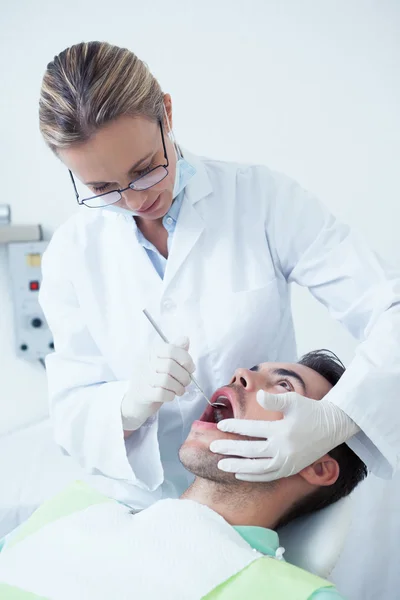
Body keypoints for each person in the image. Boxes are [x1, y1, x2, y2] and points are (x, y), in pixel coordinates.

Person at [38, 40, 399, 508]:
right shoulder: (72, 253)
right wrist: (125, 407)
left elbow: (389, 308)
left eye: (146, 170)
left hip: (257, 495)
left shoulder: (261, 200)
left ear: (166, 113)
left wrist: (340, 416)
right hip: (134, 505)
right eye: (102, 188)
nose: (134, 201)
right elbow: (70, 410)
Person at [0, 351, 367, 599]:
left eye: (284, 386)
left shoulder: (293, 594)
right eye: (252, 371)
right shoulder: (75, 506)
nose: (242, 375)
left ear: (318, 467)